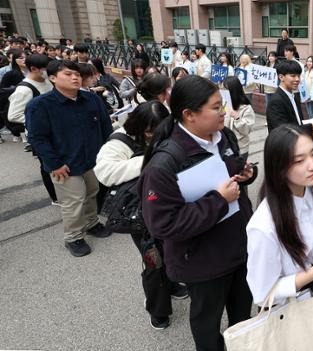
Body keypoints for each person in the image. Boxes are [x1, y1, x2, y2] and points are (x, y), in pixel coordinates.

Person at [139, 75, 255, 350]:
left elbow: (230, 171)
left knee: (242, 318)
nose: (223, 112)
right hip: (201, 262)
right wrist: (218, 200)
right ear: (189, 114)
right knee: (207, 324)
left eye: (222, 105)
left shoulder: (223, 135)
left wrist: (246, 174)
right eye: (216, 107)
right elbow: (163, 224)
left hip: (239, 248)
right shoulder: (164, 163)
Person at [246, 124, 313, 333]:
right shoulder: (263, 226)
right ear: (279, 167)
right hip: (286, 315)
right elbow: (263, 294)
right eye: (299, 160)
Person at [94, 101, 188, 330]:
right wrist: (150, 162)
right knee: (153, 259)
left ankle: (173, 283)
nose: (153, 136)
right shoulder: (120, 141)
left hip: (170, 206)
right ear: (137, 126)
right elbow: (104, 172)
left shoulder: (171, 133)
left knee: (173, 251)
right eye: (148, 132)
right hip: (140, 215)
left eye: (158, 130)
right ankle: (157, 309)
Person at [27, 60, 113, 257]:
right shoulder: (40, 105)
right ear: (52, 78)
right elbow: (37, 138)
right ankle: (74, 237)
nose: (75, 77)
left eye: (76, 74)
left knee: (92, 192)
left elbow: (105, 128)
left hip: (92, 159)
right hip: (63, 164)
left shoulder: (91, 99)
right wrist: (54, 164)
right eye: (67, 74)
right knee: (73, 201)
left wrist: (107, 154)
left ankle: (92, 223)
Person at [8, 53, 55, 202]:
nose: (49, 72)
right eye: (46, 69)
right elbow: (13, 115)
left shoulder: (47, 81)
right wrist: (40, 121)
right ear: (34, 69)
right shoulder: (24, 89)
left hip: (56, 130)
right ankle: (55, 197)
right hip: (40, 134)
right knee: (47, 164)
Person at [266, 59, 313, 135]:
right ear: (281, 77)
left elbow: (297, 122)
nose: (297, 79)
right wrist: (310, 128)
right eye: (293, 76)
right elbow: (283, 131)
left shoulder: (294, 96)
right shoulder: (276, 101)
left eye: (298, 76)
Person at [223, 76, 255, 158]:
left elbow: (246, 130)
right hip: (226, 147)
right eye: (223, 89)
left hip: (240, 147)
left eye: (226, 89)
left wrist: (237, 118)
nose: (224, 92)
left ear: (233, 91)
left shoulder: (246, 108)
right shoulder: (224, 105)